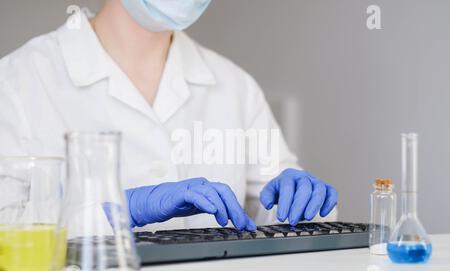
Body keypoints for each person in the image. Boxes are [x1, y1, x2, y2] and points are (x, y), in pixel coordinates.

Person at [0, 0, 338, 232]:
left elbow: (278, 216)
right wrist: (122, 210)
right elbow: (7, 228)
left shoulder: (234, 85)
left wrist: (300, 202)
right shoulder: (20, 80)